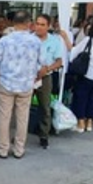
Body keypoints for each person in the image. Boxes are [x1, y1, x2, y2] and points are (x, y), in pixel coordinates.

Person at [0, 11, 41, 158]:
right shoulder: (35, 41)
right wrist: (36, 77)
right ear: (28, 23)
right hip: (26, 84)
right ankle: (19, 149)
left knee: (4, 117)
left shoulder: (5, 40)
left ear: (13, 23)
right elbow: (42, 63)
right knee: (22, 118)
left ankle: (3, 149)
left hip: (6, 83)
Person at [31, 14, 66, 149]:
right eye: (37, 24)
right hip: (30, 76)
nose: (39, 27)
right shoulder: (30, 39)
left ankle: (44, 135)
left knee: (45, 106)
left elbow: (59, 61)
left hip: (45, 76)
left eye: (42, 25)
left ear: (48, 26)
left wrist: (47, 69)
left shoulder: (54, 41)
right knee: (22, 106)